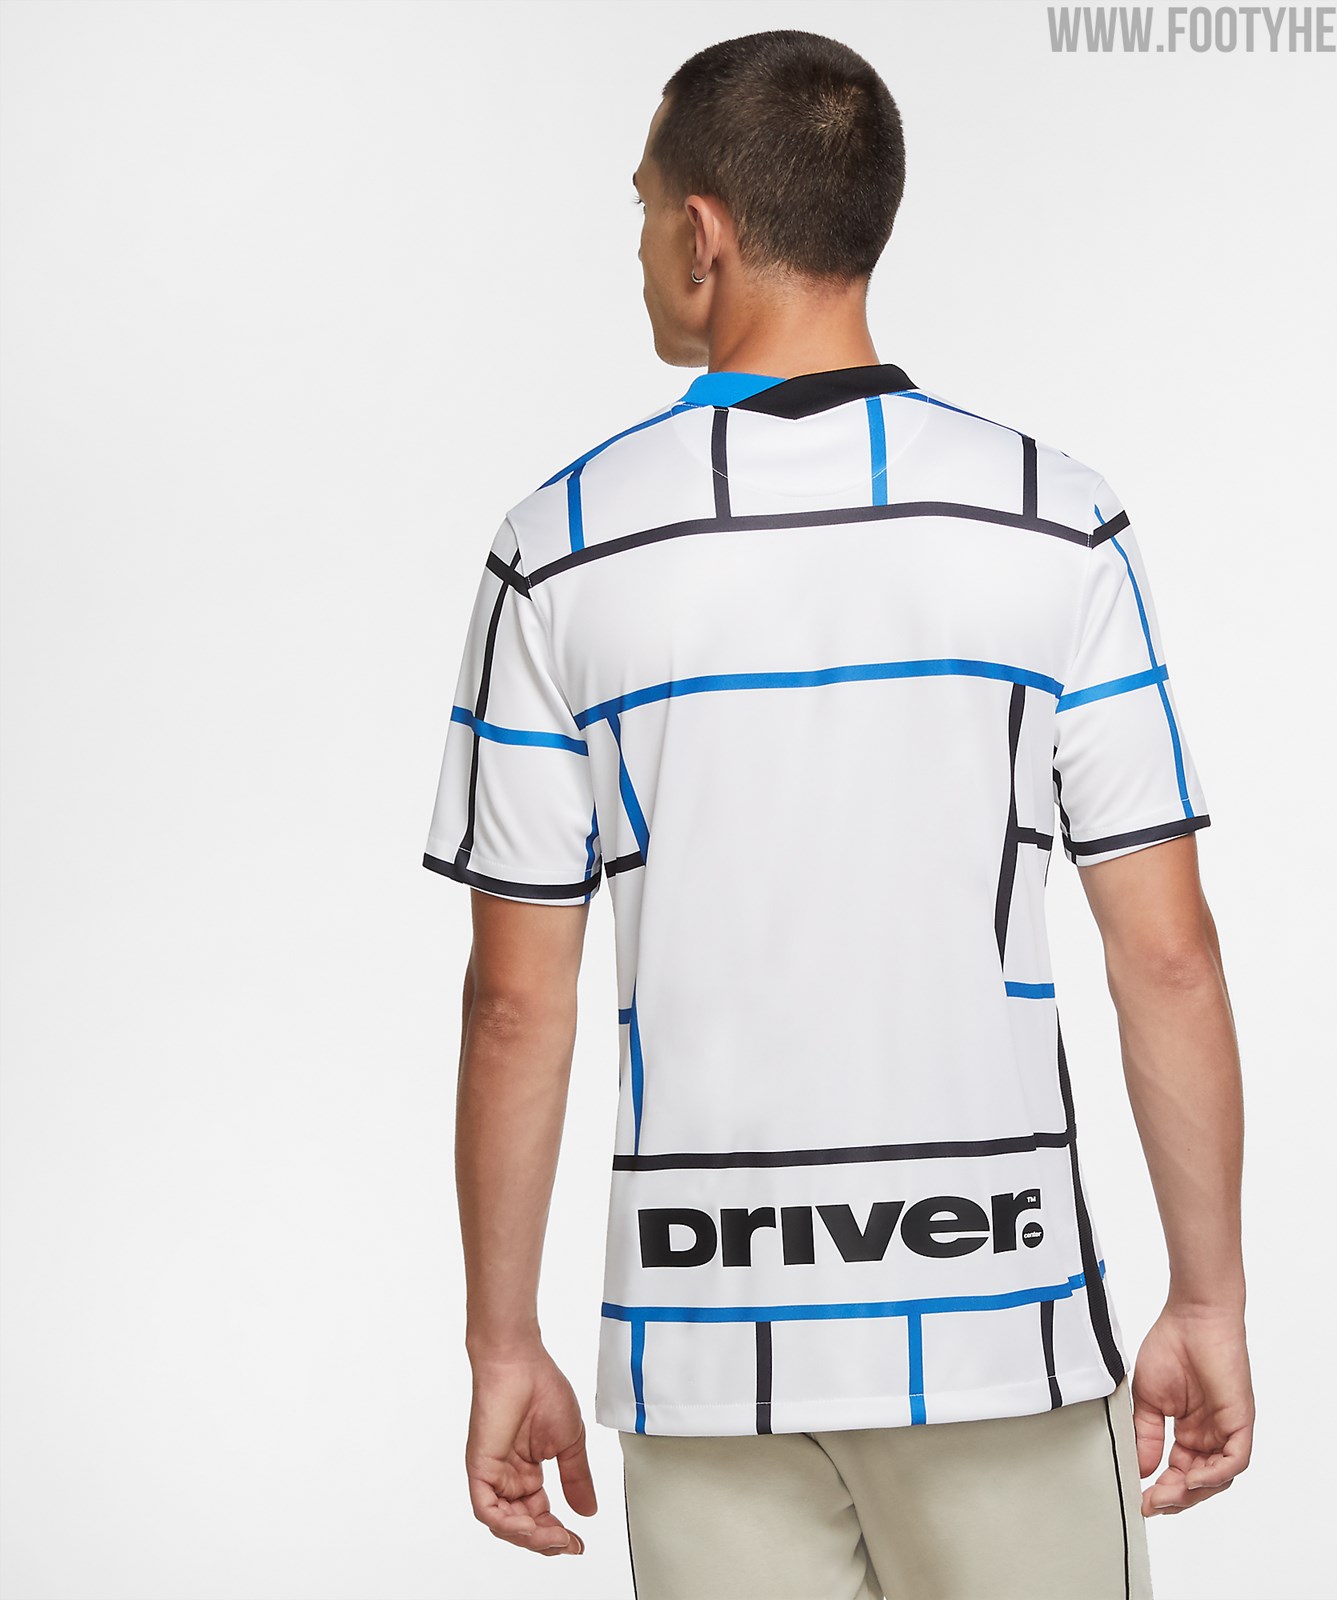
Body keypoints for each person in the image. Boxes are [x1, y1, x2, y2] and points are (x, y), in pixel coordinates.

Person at [420, 27, 1252, 1600]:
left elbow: (514, 1003)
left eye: (644, 206)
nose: (642, 244)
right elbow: (1169, 956)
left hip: (703, 1342)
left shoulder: (560, 548)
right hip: (1002, 1320)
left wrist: (501, 1341)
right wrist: (1208, 1301)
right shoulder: (1054, 523)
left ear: (703, 234)